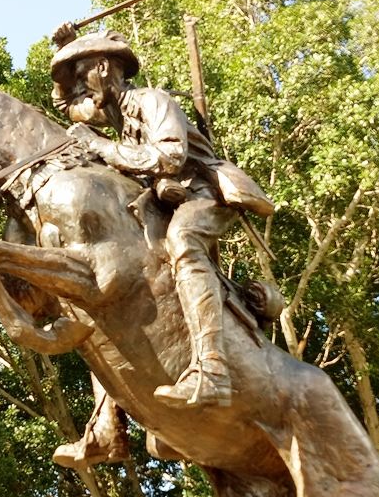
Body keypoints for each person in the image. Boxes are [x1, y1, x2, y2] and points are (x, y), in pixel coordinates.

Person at [50, 25, 276, 410]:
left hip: (205, 192)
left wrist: (104, 147)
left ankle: (213, 369)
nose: (80, 87)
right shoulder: (114, 110)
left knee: (183, 241)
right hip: (164, 197)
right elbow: (65, 107)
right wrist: (65, 48)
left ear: (103, 67)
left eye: (82, 74)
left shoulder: (153, 101)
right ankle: (108, 420)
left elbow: (169, 157)